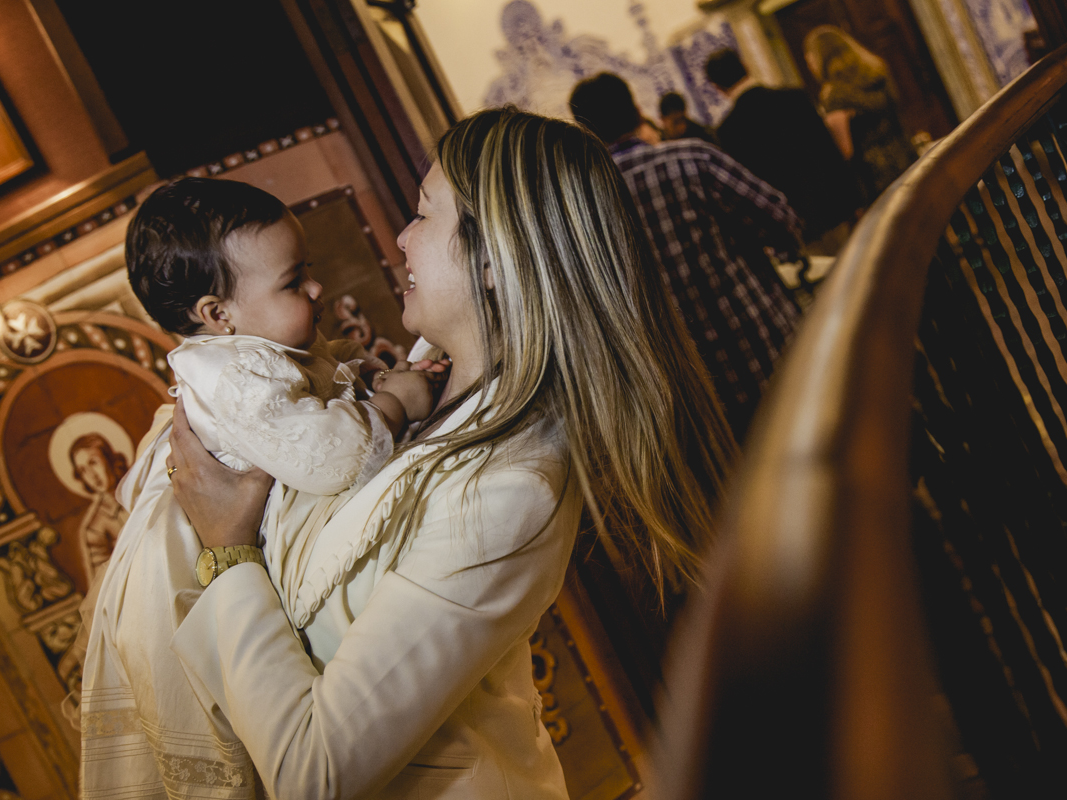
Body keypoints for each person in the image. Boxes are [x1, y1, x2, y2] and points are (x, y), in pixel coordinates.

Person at [162, 106, 737, 798]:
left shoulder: (511, 490)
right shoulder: (426, 402)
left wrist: (228, 554)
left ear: (494, 260)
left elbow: (314, 770)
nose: (402, 238)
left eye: (423, 214)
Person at [79, 177, 443, 798]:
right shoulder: (237, 374)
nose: (317, 288)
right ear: (217, 315)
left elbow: (323, 388)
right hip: (187, 571)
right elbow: (329, 457)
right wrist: (392, 406)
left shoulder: (258, 350)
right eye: (293, 281)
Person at [570, 71, 803, 441]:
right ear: (636, 111)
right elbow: (781, 218)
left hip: (695, 402)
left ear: (587, 137)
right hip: (767, 352)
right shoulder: (693, 158)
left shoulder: (580, 212)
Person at [705, 48, 862, 242]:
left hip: (792, 228)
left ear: (717, 88)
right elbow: (829, 153)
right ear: (746, 66)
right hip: (833, 208)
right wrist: (855, 201)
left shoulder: (728, 131)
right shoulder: (794, 98)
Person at [802, 26, 918, 202]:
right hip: (906, 156)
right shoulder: (876, 71)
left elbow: (845, 150)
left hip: (875, 176)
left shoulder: (834, 95)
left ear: (819, 58)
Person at [69, 433, 131, 583]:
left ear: (109, 459)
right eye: (83, 470)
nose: (91, 475)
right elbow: (102, 584)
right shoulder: (95, 526)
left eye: (93, 463)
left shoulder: (143, 489)